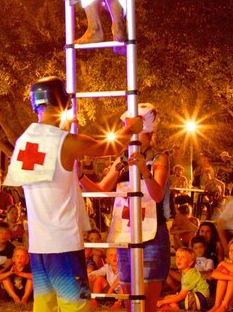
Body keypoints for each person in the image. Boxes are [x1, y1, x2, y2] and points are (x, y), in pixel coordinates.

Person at [2, 77, 136, 312]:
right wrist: (129, 130)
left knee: (46, 307)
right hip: (63, 243)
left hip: (38, 246)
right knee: (75, 307)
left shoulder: (23, 141)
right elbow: (111, 147)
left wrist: (63, 131)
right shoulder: (68, 142)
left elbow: (50, 157)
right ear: (63, 101)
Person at [86, 103, 171, 312]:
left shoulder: (160, 159)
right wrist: (79, 175)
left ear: (148, 133)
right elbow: (101, 190)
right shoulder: (121, 159)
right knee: (129, 302)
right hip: (125, 234)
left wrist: (144, 169)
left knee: (147, 305)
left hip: (152, 235)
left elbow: (158, 195)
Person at [159, 246, 210, 310]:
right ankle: (175, 308)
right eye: (177, 256)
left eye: (183, 257)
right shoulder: (187, 273)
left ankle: (176, 309)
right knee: (167, 298)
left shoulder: (190, 275)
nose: (179, 259)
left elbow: (181, 296)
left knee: (169, 300)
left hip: (199, 299)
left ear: (190, 263)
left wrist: (162, 302)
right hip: (195, 298)